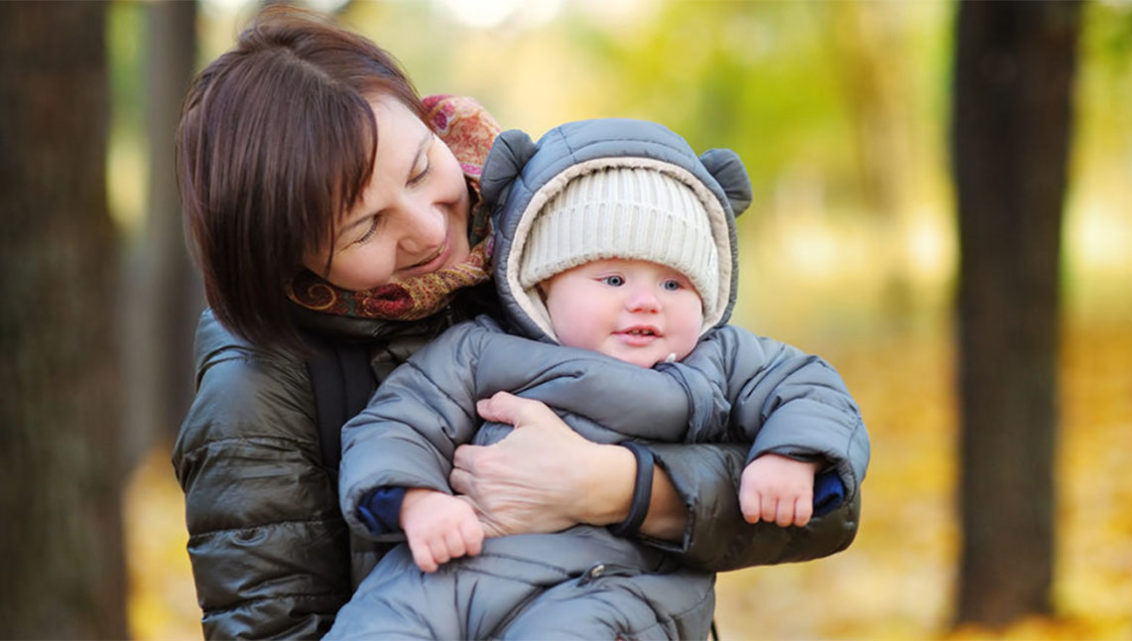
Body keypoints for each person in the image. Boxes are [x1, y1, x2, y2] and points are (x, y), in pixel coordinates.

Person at [170, 6, 866, 639]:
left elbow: (825, 509)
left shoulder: (554, 239)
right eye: (365, 227)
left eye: (418, 169)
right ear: (291, 259)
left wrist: (614, 485)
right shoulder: (258, 383)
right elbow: (267, 629)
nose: (427, 229)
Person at [325, 118, 870, 640]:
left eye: (675, 284)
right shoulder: (480, 349)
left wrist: (790, 457)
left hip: (616, 581)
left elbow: (810, 388)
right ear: (542, 286)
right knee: (381, 621)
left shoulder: (718, 358)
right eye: (612, 278)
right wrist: (417, 501)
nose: (645, 302)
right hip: (460, 563)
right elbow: (399, 419)